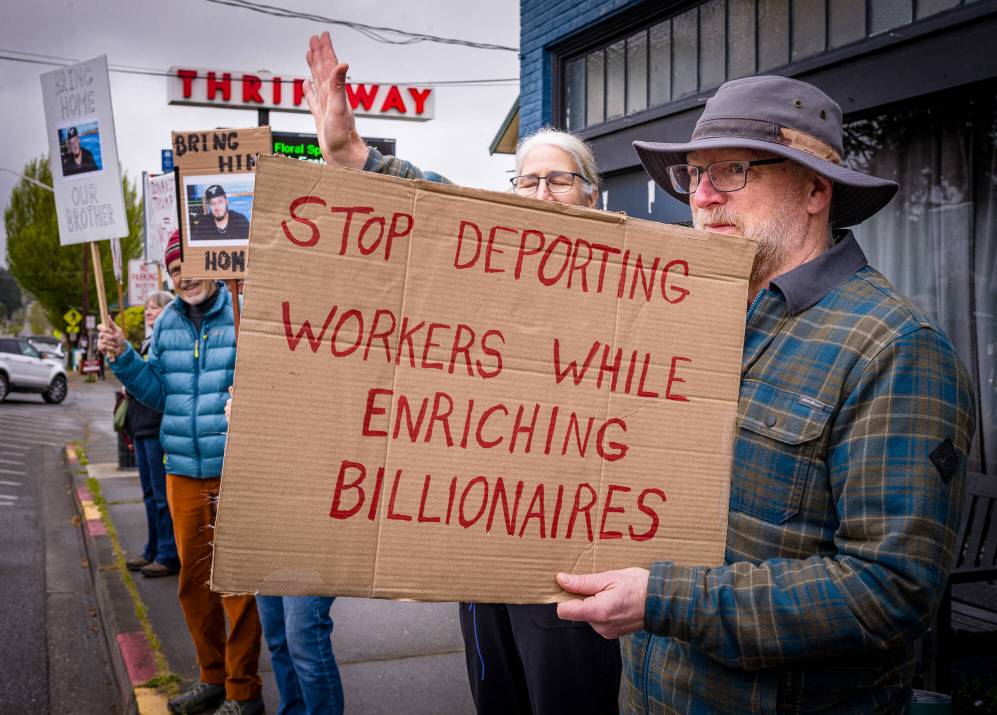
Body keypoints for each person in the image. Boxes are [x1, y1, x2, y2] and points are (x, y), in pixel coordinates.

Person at [552, 75, 977, 713]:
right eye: (692, 175)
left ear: (814, 189)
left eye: (731, 171)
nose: (701, 196)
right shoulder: (694, 321)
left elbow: (891, 589)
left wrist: (663, 600)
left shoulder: (893, 346)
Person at [304, 31, 621, 714]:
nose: (540, 192)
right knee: (497, 697)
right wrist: (352, 155)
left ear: (592, 196)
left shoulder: (630, 282)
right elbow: (435, 203)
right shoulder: (488, 265)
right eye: (526, 179)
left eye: (558, 178)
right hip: (482, 546)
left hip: (577, 555)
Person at [97, 234, 263, 715]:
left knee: (236, 587)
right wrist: (123, 356)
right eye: (174, 270)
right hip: (183, 474)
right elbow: (158, 393)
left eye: (190, 263)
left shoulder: (243, 309)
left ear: (211, 260)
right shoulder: (167, 321)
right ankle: (212, 678)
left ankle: (243, 690)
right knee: (194, 585)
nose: (184, 277)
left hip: (235, 471)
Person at [223, 391, 345, 714]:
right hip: (269, 512)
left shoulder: (332, 360)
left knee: (303, 637)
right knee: (278, 636)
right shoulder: (257, 354)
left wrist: (265, 418)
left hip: (314, 516)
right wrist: (241, 419)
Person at [124, 289, 180, 578]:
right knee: (148, 494)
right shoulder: (147, 342)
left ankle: (168, 553)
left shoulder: (168, 344)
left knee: (161, 496)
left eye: (155, 307)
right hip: (140, 425)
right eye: (146, 307)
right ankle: (152, 549)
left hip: (158, 425)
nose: (148, 312)